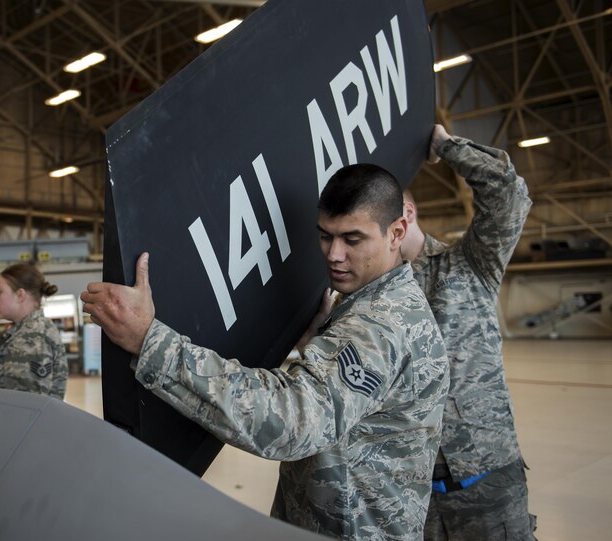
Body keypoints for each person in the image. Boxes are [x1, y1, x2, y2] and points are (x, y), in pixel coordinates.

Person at [82, 165, 449, 540]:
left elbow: (293, 422)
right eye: (325, 236)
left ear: (397, 233)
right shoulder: (368, 305)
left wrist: (150, 341)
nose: (334, 254)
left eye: (352, 239)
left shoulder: (381, 323)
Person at [400, 125, 537, 539]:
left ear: (406, 214)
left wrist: (446, 146)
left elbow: (509, 197)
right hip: (412, 491)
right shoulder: (366, 299)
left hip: (488, 482)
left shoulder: (468, 264)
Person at [0, 263, 67, 400]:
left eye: (0, 291)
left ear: (20, 295)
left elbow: (29, 405)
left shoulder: (33, 337)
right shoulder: (24, 331)